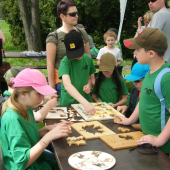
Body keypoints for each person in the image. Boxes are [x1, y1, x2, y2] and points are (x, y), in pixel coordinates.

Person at [1, 68, 72, 169]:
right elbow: (21, 163)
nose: (43, 98)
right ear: (23, 94)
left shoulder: (26, 107)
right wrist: (48, 137)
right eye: (39, 93)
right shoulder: (12, 119)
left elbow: (27, 137)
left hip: (38, 161)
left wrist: (47, 129)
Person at [117, 27, 170, 155]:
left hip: (162, 148)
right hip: (147, 141)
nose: (134, 53)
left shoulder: (166, 77)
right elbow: (143, 101)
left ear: (151, 54)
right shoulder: (149, 72)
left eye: (137, 50)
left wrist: (159, 140)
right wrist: (130, 121)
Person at [46, 0, 94, 98]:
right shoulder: (54, 36)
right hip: (62, 82)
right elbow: (50, 63)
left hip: (82, 81)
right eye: (72, 14)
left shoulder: (82, 33)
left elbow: (87, 56)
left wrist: (91, 78)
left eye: (76, 13)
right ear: (62, 16)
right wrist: (51, 87)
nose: (76, 16)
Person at [58, 30, 96, 115]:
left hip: (85, 101)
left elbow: (89, 78)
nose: (76, 56)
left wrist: (88, 86)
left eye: (78, 53)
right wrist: (84, 102)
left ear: (83, 43)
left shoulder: (88, 59)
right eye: (73, 53)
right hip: (68, 103)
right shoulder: (65, 62)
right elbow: (67, 85)